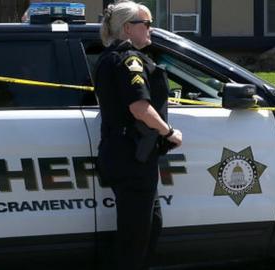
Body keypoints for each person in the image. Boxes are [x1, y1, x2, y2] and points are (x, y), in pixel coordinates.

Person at [93, 1, 182, 270]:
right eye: (147, 24)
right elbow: (138, 107)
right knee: (135, 235)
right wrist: (168, 132)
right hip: (132, 156)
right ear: (128, 28)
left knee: (149, 225)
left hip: (124, 152)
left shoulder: (108, 57)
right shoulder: (130, 59)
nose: (151, 29)